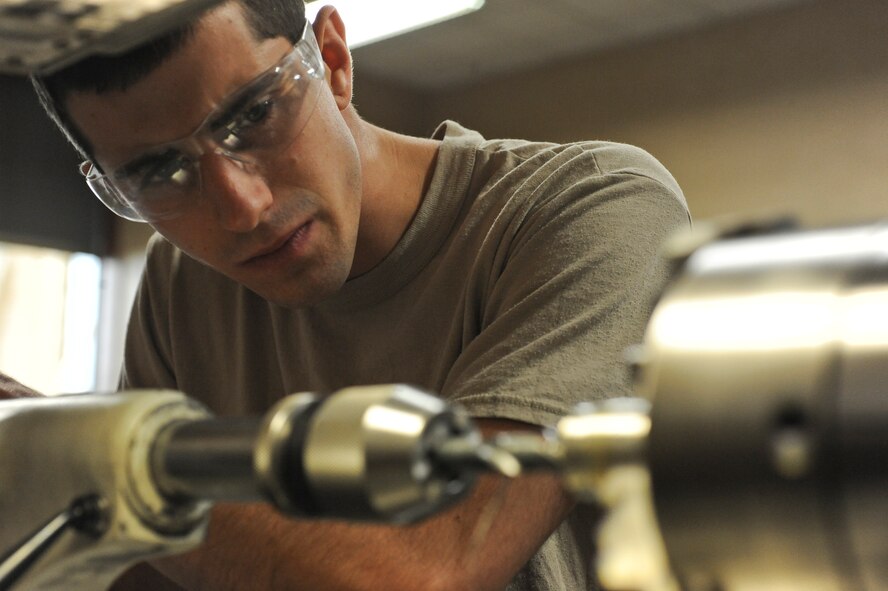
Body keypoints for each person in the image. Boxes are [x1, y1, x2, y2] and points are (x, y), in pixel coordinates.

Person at [1, 0, 690, 588]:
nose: (242, 207)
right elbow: (162, 569)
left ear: (332, 60)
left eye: (256, 113)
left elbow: (427, 569)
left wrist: (80, 455)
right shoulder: (179, 286)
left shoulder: (590, 207)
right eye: (158, 172)